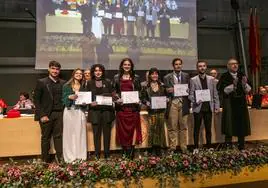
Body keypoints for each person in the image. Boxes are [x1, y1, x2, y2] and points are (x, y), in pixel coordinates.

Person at [33, 61, 66, 163]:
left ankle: (60, 159)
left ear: (59, 71)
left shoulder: (63, 83)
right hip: (46, 114)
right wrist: (42, 115)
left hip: (59, 113)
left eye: (57, 69)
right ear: (49, 69)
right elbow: (36, 100)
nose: (55, 71)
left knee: (58, 137)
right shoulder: (41, 82)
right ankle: (45, 160)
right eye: (53, 68)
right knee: (46, 137)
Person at [217, 58, 251, 150]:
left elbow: (248, 90)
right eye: (232, 64)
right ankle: (228, 147)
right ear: (228, 66)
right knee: (229, 125)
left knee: (241, 125)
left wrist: (244, 85)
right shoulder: (224, 76)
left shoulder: (242, 75)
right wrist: (234, 86)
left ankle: (242, 146)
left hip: (241, 103)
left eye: (236, 63)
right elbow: (223, 90)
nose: (235, 65)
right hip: (229, 103)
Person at [112, 58, 142, 159]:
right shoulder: (116, 77)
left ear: (131, 66)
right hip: (122, 109)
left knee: (133, 130)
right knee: (123, 131)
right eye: (125, 64)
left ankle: (131, 151)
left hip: (133, 109)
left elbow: (140, 91)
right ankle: (124, 151)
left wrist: (139, 100)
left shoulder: (136, 77)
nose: (127, 66)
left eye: (129, 64)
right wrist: (117, 99)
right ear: (121, 66)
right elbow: (114, 92)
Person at [188, 61, 220, 149]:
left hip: (208, 107)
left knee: (208, 129)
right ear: (197, 68)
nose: (202, 68)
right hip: (198, 108)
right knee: (197, 129)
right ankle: (195, 148)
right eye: (200, 66)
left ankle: (209, 146)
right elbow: (190, 95)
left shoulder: (211, 79)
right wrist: (195, 101)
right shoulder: (193, 80)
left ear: (206, 67)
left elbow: (215, 94)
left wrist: (216, 107)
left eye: (203, 66)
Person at [86, 64, 115, 159]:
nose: (98, 72)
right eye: (96, 70)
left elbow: (113, 95)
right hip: (95, 112)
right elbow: (86, 97)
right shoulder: (89, 83)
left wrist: (114, 98)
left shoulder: (108, 81)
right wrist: (90, 102)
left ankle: (107, 154)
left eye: (100, 70)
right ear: (93, 72)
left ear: (102, 72)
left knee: (107, 134)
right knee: (96, 134)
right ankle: (97, 154)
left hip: (107, 112)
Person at [163, 58, 191, 152]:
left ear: (181, 65)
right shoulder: (167, 77)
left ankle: (184, 147)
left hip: (183, 102)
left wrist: (188, 91)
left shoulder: (186, 75)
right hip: (173, 102)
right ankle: (172, 147)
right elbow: (165, 91)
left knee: (183, 126)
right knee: (172, 126)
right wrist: (168, 90)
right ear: (173, 65)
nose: (178, 66)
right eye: (176, 64)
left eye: (180, 64)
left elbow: (189, 89)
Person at [141, 67, 167, 155]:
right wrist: (147, 103)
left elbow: (168, 96)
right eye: (152, 74)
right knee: (153, 129)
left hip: (161, 111)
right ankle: (152, 148)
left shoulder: (162, 85)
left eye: (156, 74)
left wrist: (167, 99)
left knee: (160, 129)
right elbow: (143, 98)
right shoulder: (145, 86)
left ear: (158, 75)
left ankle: (159, 148)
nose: (154, 75)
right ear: (150, 75)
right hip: (152, 111)